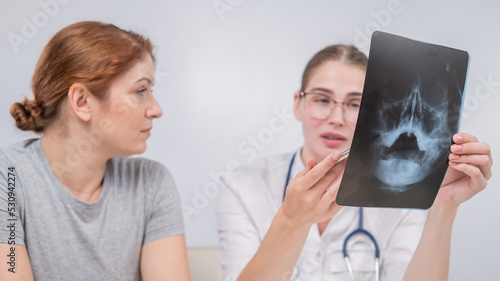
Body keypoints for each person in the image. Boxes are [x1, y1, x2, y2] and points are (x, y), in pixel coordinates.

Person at [217, 45, 493, 281]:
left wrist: (443, 205)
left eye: (354, 104)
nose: (336, 117)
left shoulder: (398, 193)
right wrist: (291, 220)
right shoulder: (243, 186)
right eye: (322, 99)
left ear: (373, 114)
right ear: (298, 104)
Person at [0, 21, 190, 281]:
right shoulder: (8, 178)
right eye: (141, 90)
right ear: (82, 102)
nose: (156, 109)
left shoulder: (152, 183)